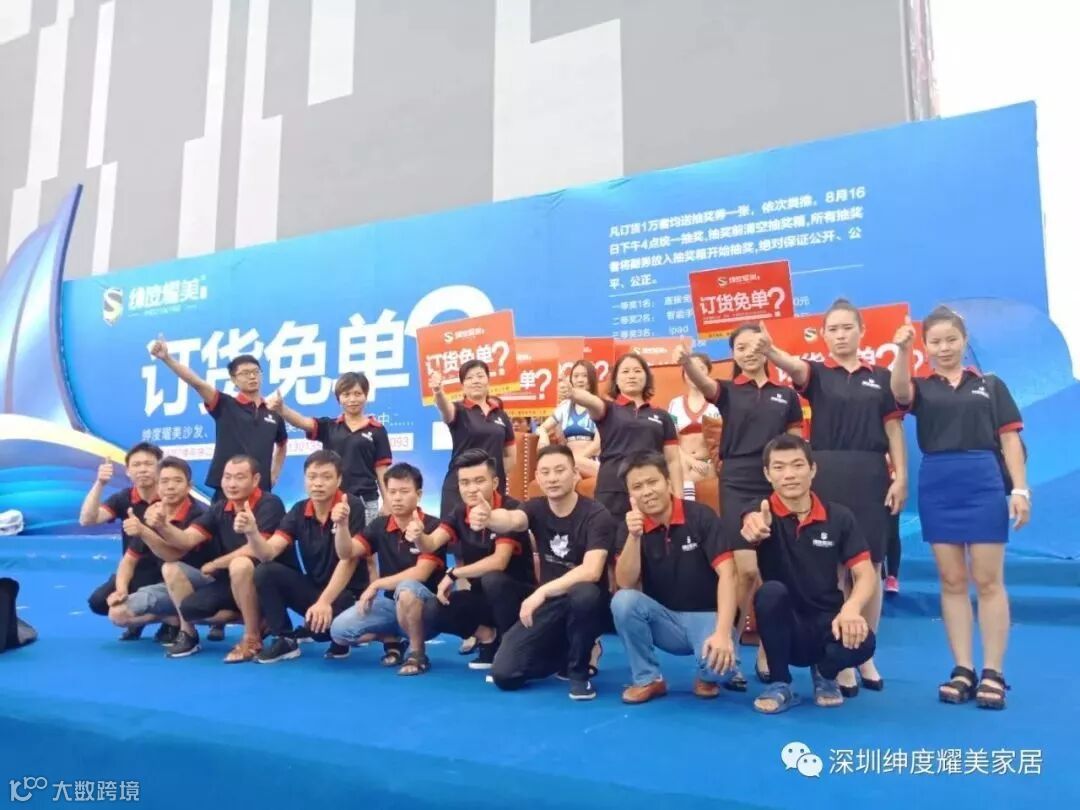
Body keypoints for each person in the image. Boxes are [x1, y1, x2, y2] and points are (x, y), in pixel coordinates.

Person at [759, 299, 906, 694]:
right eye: (833, 329)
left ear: (861, 331)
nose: (841, 336)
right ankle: (839, 651)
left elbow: (894, 431)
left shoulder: (881, 377)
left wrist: (901, 476)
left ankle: (863, 649)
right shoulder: (818, 375)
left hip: (871, 474)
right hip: (829, 471)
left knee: (870, 564)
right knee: (834, 566)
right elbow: (794, 367)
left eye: (847, 328)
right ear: (823, 335)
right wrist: (770, 350)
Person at [891, 307, 1029, 710]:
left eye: (951, 339)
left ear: (965, 341)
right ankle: (963, 669)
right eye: (935, 341)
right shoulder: (921, 386)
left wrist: (1020, 490)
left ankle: (993, 671)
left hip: (983, 481)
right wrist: (902, 352)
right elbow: (899, 394)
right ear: (926, 346)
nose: (944, 347)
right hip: (938, 483)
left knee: (988, 580)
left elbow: (1010, 441)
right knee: (951, 581)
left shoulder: (990, 385)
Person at [675, 329, 803, 686]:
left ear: (767, 349)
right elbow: (705, 384)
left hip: (776, 482)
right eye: (740, 348)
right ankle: (728, 650)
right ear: (733, 354)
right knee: (745, 570)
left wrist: (794, 478)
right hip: (736, 481)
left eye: (755, 345)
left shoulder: (786, 395)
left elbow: (797, 445)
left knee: (776, 571)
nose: (749, 352)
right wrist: (687, 361)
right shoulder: (729, 391)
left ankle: (767, 648)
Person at [741, 434, 876, 714]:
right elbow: (750, 523)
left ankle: (825, 675)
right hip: (783, 628)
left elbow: (865, 574)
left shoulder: (839, 517)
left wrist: (852, 608)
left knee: (866, 642)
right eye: (779, 467)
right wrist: (752, 526)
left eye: (797, 465)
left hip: (827, 623)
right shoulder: (759, 514)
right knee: (770, 593)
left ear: (812, 469)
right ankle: (780, 684)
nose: (789, 474)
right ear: (767, 474)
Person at [477, 445, 616, 700]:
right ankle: (563, 652)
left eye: (560, 470)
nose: (552, 478)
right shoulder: (535, 507)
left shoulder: (597, 514)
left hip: (590, 605)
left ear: (575, 474)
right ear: (538, 478)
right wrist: (489, 518)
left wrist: (541, 592)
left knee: (583, 593)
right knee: (505, 675)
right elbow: (513, 519)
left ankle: (579, 671)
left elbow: (592, 571)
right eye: (545, 472)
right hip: (552, 604)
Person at [612, 451, 738, 704]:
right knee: (622, 601)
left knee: (720, 671)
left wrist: (723, 633)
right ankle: (648, 679)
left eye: (652, 482)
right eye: (637, 487)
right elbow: (625, 582)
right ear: (630, 495)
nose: (647, 491)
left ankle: (707, 677)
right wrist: (634, 537)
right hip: (664, 620)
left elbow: (728, 574)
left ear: (668, 482)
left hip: (707, 616)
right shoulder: (629, 528)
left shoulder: (701, 516)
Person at [147, 455, 286, 662]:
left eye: (239, 477)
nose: (232, 484)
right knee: (186, 599)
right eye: (227, 477)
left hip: (268, 582)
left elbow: (256, 550)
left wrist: (216, 563)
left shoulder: (270, 504)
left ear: (255, 479)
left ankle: (252, 637)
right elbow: (187, 540)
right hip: (230, 582)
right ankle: (190, 634)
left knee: (240, 564)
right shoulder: (219, 508)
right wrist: (162, 526)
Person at [407, 449, 537, 670]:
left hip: (519, 597)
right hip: (483, 596)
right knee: (432, 609)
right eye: (464, 483)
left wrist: (454, 573)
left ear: (495, 482)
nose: (471, 488)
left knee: (493, 579)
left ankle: (510, 646)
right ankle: (489, 638)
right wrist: (419, 535)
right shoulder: (459, 512)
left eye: (479, 481)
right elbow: (431, 544)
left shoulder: (511, 509)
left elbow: (498, 562)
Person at [246, 450, 372, 663]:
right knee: (265, 571)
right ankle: (284, 639)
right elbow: (268, 553)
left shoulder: (350, 506)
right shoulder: (299, 510)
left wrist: (324, 602)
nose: (318, 483)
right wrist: (252, 532)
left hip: (348, 593)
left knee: (321, 632)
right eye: (312, 477)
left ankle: (340, 636)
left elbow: (348, 560)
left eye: (326, 477)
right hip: (316, 588)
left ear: (339, 480)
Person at [329, 463, 447, 675]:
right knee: (339, 631)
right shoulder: (379, 525)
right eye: (392, 492)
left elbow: (421, 574)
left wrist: (377, 584)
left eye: (404, 491)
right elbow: (347, 552)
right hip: (393, 606)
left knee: (407, 588)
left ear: (419, 494)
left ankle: (417, 652)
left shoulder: (433, 526)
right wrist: (343, 526)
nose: (397, 498)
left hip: (427, 608)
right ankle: (392, 639)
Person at [149, 338, 287, 501]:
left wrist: (273, 475)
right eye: (244, 373)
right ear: (234, 379)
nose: (252, 376)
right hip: (227, 490)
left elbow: (282, 444)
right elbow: (197, 383)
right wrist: (167, 358)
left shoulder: (273, 413)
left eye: (256, 372)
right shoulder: (225, 404)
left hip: (260, 491)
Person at [267, 372, 391, 524]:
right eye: (346, 394)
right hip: (331, 500)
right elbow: (302, 422)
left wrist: (387, 502)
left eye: (357, 394)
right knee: (334, 538)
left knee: (364, 539)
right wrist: (282, 409)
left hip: (365, 500)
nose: (352, 399)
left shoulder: (377, 430)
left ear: (365, 396)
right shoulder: (329, 426)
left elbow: (382, 470)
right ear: (339, 399)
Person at [568, 353, 682, 518]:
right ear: (616, 379)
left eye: (637, 371)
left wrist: (678, 499)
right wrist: (573, 393)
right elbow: (592, 401)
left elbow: (673, 460)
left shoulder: (662, 415)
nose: (631, 376)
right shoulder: (608, 409)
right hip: (613, 489)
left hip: (649, 489)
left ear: (646, 377)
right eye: (625, 371)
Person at [107, 456, 207, 641]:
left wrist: (146, 531)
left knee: (171, 568)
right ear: (157, 486)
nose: (170, 487)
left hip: (203, 584)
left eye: (177, 481)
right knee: (118, 614)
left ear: (189, 486)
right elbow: (128, 560)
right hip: (168, 586)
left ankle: (188, 632)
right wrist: (121, 591)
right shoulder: (153, 512)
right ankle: (173, 618)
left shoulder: (199, 514)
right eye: (165, 481)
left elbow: (174, 555)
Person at [79, 442, 170, 642]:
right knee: (98, 602)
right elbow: (87, 519)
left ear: (160, 467)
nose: (143, 469)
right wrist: (100, 483)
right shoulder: (123, 498)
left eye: (149, 464)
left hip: (168, 571)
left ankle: (171, 621)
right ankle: (137, 620)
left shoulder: (172, 496)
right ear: (128, 471)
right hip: (134, 569)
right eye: (136, 465)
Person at [429, 360, 516, 519]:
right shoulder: (459, 410)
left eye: (480, 376)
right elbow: (444, 408)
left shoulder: (501, 415)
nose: (475, 381)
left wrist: (490, 476)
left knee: (492, 529)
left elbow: (510, 456)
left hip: (491, 489)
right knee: (455, 532)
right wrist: (438, 392)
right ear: (462, 385)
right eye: (469, 378)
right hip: (460, 487)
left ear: (488, 381)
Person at [667, 353, 721, 498]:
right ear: (684, 374)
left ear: (708, 371)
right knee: (680, 469)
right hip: (682, 461)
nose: (694, 372)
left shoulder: (718, 403)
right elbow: (670, 441)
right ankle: (687, 504)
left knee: (683, 476)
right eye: (689, 368)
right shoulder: (675, 404)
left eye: (700, 368)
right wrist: (690, 461)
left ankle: (686, 505)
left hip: (707, 463)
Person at [538, 360, 601, 479]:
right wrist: (543, 436)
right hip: (568, 461)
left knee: (564, 470)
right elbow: (542, 428)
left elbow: (597, 444)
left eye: (584, 376)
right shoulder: (565, 406)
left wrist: (574, 460)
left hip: (590, 461)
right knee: (564, 472)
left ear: (591, 379)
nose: (580, 380)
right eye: (576, 376)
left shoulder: (599, 405)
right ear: (571, 380)